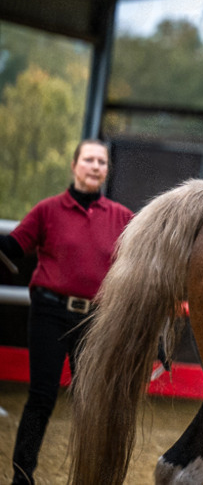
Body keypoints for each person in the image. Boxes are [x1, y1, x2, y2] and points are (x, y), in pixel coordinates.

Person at [0, 140, 133, 485]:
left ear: (107, 170)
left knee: (91, 404)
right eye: (89, 160)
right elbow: (12, 248)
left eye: (102, 162)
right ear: (74, 165)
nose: (95, 166)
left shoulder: (122, 217)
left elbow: (140, 264)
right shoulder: (47, 210)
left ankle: (90, 478)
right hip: (49, 312)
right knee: (41, 398)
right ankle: (22, 477)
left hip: (95, 320)